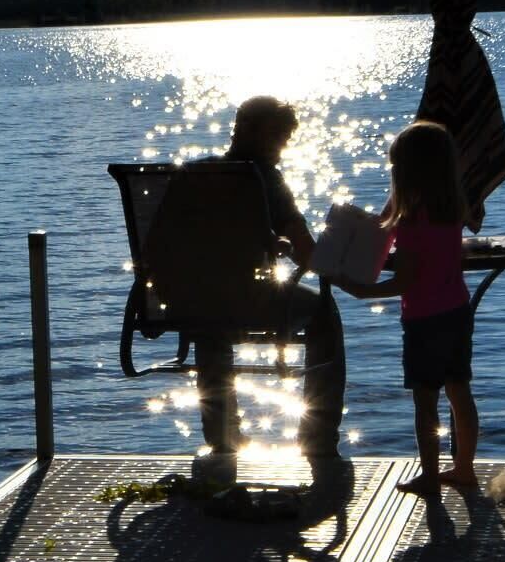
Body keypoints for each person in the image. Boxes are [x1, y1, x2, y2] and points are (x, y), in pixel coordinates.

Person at [188, 94, 345, 461]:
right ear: (253, 132)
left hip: (189, 299)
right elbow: (308, 253)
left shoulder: (196, 174)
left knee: (210, 319)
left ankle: (222, 439)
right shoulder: (265, 180)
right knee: (324, 313)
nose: (282, 147)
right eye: (279, 137)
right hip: (252, 301)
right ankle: (319, 440)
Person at [375, 120, 480, 497]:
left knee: (425, 401)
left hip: (423, 319)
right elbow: (386, 224)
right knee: (459, 391)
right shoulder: (451, 203)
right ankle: (464, 469)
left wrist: (357, 287)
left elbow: (402, 278)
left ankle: (430, 476)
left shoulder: (410, 214)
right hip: (457, 310)